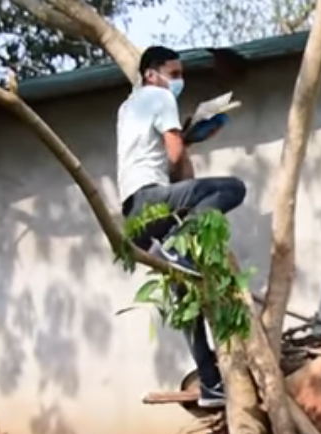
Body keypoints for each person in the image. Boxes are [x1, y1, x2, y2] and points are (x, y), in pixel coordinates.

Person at [117, 45, 246, 409]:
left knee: (184, 294)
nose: (178, 81)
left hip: (135, 216)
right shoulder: (158, 96)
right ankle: (178, 246)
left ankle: (210, 385)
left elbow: (157, 149)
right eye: (173, 74)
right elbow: (175, 158)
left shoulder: (128, 107)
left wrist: (191, 135)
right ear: (151, 75)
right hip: (153, 200)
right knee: (232, 188)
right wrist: (185, 157)